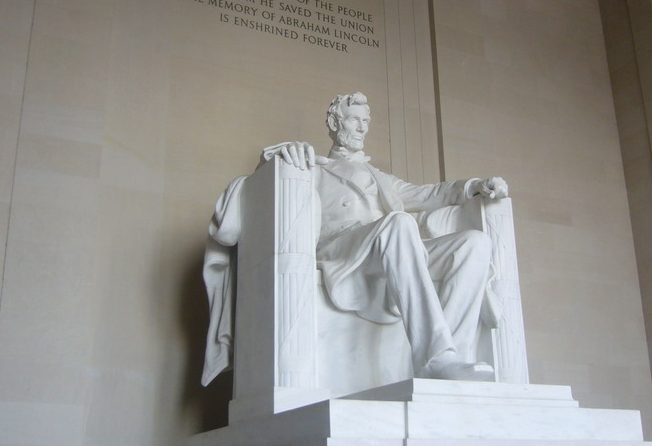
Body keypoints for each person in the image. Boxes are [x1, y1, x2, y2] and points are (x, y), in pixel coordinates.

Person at [202, 92, 508, 386]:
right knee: (399, 224)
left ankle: (451, 357)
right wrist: (283, 152)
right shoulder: (312, 166)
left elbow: (428, 193)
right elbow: (265, 180)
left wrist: (474, 187)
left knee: (474, 244)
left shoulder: (380, 177)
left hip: (386, 244)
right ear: (335, 124)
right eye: (354, 120)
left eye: (365, 121)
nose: (362, 127)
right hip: (340, 247)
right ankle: (435, 357)